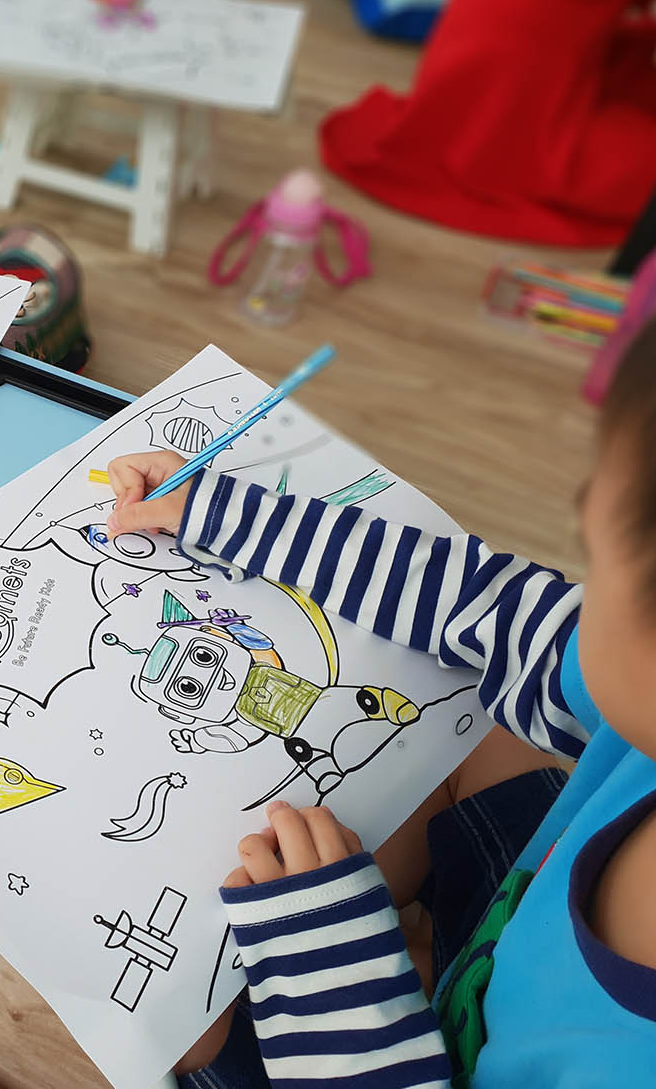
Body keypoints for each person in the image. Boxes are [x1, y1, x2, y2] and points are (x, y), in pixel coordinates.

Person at [104, 325, 656, 1086]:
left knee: (185, 1036)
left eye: (605, 560)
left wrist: (337, 974)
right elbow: (483, 606)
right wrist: (220, 514)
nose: (575, 585)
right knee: (480, 726)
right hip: (515, 935)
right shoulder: (641, 707)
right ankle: (424, 962)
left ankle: (406, 972)